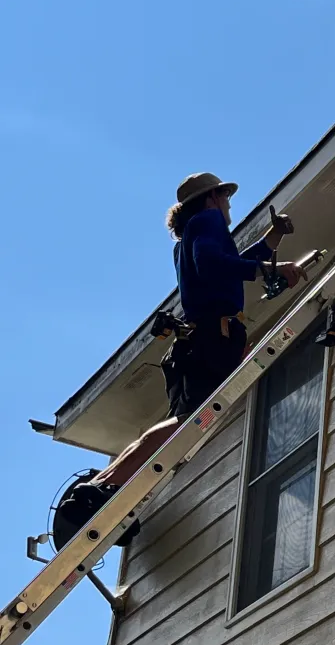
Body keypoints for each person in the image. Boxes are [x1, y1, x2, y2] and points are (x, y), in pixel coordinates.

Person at [53, 172, 305, 550]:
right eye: (225, 197)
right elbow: (213, 265)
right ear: (211, 199)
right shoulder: (208, 223)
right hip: (210, 339)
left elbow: (229, 264)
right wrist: (270, 270)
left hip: (195, 341)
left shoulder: (192, 234)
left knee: (177, 423)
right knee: (186, 422)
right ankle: (104, 487)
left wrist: (273, 241)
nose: (230, 205)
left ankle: (103, 484)